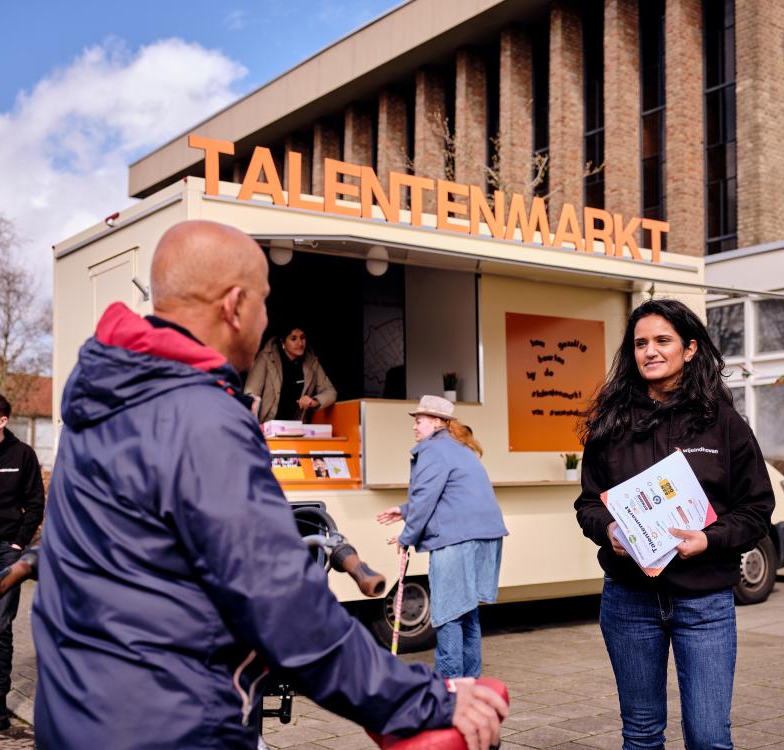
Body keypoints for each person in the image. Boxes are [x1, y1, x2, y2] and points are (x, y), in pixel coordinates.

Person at [32, 221, 507, 750]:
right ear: (234, 305)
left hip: (78, 712)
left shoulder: (108, 396)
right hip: (172, 725)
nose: (265, 319)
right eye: (263, 302)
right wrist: (425, 701)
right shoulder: (198, 415)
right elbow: (284, 605)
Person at [574, 298, 774, 750]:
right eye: (640, 343)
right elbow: (588, 503)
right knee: (641, 737)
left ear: (689, 349)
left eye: (662, 340)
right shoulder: (610, 422)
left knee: (708, 738)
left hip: (703, 603)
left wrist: (709, 539)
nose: (650, 351)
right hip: (628, 600)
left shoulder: (724, 424)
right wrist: (609, 530)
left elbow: (757, 509)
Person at [376, 396, 508, 679]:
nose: (414, 426)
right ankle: (468, 684)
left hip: (458, 539)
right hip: (484, 536)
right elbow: (447, 496)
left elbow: (425, 499)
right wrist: (403, 511)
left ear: (436, 422)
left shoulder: (433, 450)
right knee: (466, 612)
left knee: (447, 614)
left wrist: (405, 538)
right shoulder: (458, 448)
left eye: (419, 420)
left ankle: (449, 687)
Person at [0, 392, 44, 731]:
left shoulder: (21, 455)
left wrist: (18, 543)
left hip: (5, 552)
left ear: (2, 420)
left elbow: (36, 503)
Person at [244, 323, 337, 423]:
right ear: (283, 342)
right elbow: (251, 395)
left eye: (302, 338)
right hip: (267, 428)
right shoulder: (266, 358)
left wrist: (314, 401)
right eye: (293, 339)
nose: (300, 343)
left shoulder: (311, 362)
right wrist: (253, 428)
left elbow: (331, 392)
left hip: (296, 430)